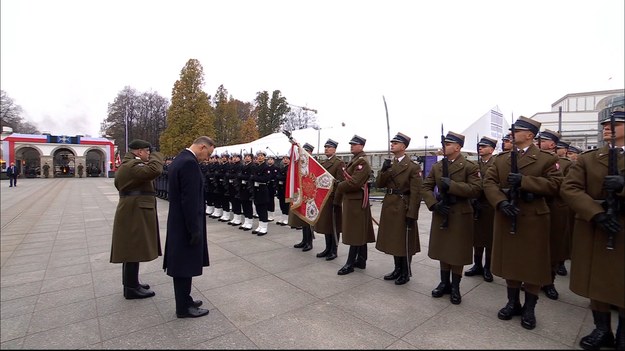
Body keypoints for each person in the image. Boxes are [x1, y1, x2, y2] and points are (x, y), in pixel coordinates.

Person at [483, 116, 562, 330]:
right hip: (508, 214)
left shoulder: (546, 159)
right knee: (511, 262)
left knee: (532, 265)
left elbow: (556, 185)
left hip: (533, 217)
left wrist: (526, 182)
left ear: (529, 134)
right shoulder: (502, 159)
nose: (512, 133)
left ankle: (529, 308)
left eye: (517, 131)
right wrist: (500, 202)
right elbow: (489, 183)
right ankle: (512, 303)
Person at [560, 106, 624, 350]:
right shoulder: (589, 158)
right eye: (605, 125)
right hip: (596, 226)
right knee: (598, 279)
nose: (607, 127)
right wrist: (595, 213)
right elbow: (570, 188)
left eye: (616, 123)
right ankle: (602, 329)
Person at [422, 131, 481, 304]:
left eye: (448, 144)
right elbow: (425, 187)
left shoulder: (470, 166)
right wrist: (434, 204)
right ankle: (444, 283)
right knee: (443, 250)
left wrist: (453, 186)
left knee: (457, 252)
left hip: (460, 213)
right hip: (442, 211)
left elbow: (476, 189)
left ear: (457, 147)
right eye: (444, 143)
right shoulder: (437, 167)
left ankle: (455, 286)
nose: (444, 146)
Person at [163, 136, 215, 318]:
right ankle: (183, 308)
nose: (207, 158)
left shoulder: (180, 159)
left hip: (178, 220)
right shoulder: (189, 164)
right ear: (202, 147)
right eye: (208, 153)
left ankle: (185, 299)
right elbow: (190, 200)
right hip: (186, 223)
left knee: (183, 263)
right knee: (184, 265)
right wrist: (194, 229)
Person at [110, 139, 164, 300]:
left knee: (133, 248)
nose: (148, 154)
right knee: (133, 249)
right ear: (139, 151)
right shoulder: (132, 165)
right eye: (147, 151)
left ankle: (132, 283)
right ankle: (131, 288)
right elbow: (154, 170)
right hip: (134, 210)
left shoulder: (129, 164)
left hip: (133, 208)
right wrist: (156, 154)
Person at [375, 132, 423, 285]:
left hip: (403, 205)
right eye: (392, 143)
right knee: (393, 240)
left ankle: (405, 271)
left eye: (395, 143)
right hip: (390, 204)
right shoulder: (390, 164)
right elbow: (379, 184)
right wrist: (384, 170)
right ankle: (397, 269)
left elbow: (416, 193)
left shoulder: (413, 167)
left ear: (403, 146)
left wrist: (412, 213)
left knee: (404, 240)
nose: (392, 145)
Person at [535, 129, 572, 301]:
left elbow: (566, 187)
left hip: (555, 209)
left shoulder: (565, 163)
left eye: (543, 140)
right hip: (535, 208)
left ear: (552, 144)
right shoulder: (532, 160)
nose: (539, 142)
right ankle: (533, 278)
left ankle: (549, 282)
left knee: (553, 247)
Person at [335, 135, 375, 275]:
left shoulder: (362, 162)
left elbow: (355, 183)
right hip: (353, 201)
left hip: (356, 202)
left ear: (362, 146)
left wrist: (340, 186)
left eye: (355, 144)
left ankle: (350, 263)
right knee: (359, 231)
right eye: (351, 144)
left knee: (355, 232)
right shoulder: (355, 160)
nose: (351, 146)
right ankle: (361, 260)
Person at [465, 136, 498, 283]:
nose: (481, 148)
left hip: (490, 205)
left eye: (484, 147)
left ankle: (487, 268)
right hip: (476, 205)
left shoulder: (496, 163)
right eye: (480, 146)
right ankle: (477, 265)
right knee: (477, 238)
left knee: (489, 239)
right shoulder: (474, 164)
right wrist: (472, 199)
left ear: (491, 149)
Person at [314, 139, 345, 261]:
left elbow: (340, 183)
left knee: (333, 225)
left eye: (329, 147)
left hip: (333, 198)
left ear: (335, 149)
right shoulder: (323, 162)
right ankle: (327, 248)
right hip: (324, 199)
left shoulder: (339, 163)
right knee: (326, 224)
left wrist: (337, 200)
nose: (326, 149)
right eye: (325, 147)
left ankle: (334, 250)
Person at [290, 143, 316, 251]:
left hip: (310, 195)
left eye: (306, 151)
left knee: (309, 221)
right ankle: (304, 240)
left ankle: (309, 242)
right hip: (302, 194)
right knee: (303, 220)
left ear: (310, 152)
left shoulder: (314, 163)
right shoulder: (301, 163)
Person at [251, 150, 272, 235]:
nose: (260, 157)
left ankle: (264, 227)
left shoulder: (266, 167)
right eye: (258, 155)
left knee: (263, 210)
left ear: (264, 157)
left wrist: (255, 177)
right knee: (258, 209)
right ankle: (260, 225)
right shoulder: (256, 167)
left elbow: (265, 179)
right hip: (256, 190)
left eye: (261, 155)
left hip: (262, 190)